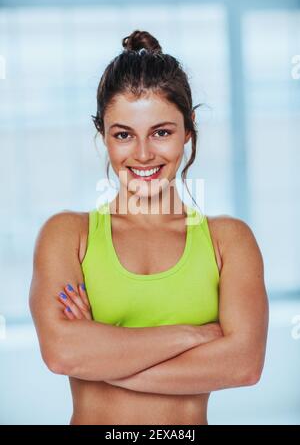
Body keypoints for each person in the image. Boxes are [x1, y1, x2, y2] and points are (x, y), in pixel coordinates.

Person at [29, 30, 269, 425]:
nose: (142, 154)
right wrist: (193, 335)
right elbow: (62, 354)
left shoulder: (230, 241)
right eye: (124, 134)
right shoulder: (67, 236)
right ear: (103, 135)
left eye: (161, 132)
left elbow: (243, 365)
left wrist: (103, 356)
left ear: (188, 130)